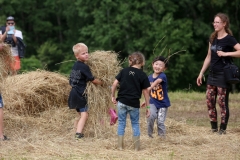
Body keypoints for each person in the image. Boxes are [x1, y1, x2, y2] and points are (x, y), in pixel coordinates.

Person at [196, 13, 240, 135]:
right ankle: (214, 128)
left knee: (222, 102)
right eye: (214, 22)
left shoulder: (229, 39)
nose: (215, 24)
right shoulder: (213, 38)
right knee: (209, 101)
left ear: (224, 24)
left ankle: (223, 129)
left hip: (223, 75)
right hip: (212, 74)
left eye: (217, 22)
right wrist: (201, 73)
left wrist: (226, 54)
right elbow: (208, 57)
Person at [111, 51, 150, 151]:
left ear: (130, 61)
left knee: (121, 123)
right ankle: (136, 148)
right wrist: (148, 107)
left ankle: (120, 147)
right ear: (142, 63)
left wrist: (113, 96)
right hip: (134, 103)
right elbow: (146, 91)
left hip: (122, 102)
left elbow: (114, 84)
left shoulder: (124, 71)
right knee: (135, 124)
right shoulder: (142, 75)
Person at [68, 43, 103, 140]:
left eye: (87, 52)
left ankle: (75, 132)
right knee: (85, 115)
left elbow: (71, 81)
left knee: (80, 115)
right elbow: (92, 79)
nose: (86, 55)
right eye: (83, 53)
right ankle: (78, 134)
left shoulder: (75, 65)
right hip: (80, 94)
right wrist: (102, 82)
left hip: (73, 93)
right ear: (77, 56)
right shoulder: (84, 67)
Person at [147, 56, 170, 138]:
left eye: (160, 65)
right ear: (153, 64)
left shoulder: (163, 76)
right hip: (152, 102)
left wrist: (150, 87)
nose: (158, 67)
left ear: (164, 68)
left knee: (160, 121)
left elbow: (157, 81)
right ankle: (149, 136)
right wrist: (146, 100)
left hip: (163, 103)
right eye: (156, 64)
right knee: (150, 117)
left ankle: (162, 137)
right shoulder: (149, 77)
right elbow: (148, 92)